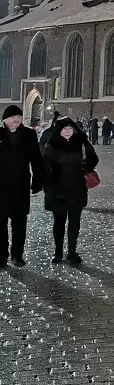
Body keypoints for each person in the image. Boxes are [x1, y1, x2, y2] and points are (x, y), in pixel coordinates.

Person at [42, 116, 98, 266]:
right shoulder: (52, 145)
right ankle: (58, 251)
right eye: (64, 128)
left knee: (74, 223)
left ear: (74, 130)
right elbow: (45, 168)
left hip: (76, 189)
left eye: (69, 128)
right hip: (57, 191)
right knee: (59, 224)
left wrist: (85, 168)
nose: (67, 131)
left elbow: (93, 158)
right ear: (59, 131)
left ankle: (72, 252)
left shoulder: (82, 143)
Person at [0, 105, 44, 268]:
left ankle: (17, 255)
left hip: (20, 186)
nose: (16, 120)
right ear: (5, 120)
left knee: (19, 223)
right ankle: (2, 255)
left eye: (18, 117)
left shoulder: (29, 135)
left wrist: (38, 181)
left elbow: (37, 159)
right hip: (1, 187)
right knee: (0, 224)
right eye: (12, 117)